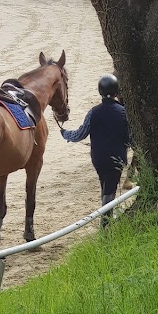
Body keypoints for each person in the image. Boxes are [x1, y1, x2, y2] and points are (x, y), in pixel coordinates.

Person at [60, 74, 132, 225]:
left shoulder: (93, 112)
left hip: (98, 158)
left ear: (100, 91)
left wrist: (65, 133)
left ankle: (106, 218)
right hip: (117, 158)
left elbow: (80, 133)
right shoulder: (124, 112)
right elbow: (131, 138)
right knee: (110, 189)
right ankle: (105, 224)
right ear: (117, 92)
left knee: (105, 185)